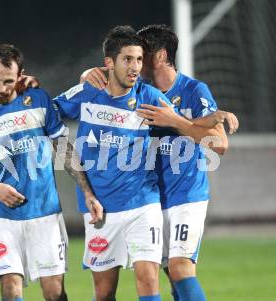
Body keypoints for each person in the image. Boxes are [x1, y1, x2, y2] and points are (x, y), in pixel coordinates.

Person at [80, 24, 238, 301]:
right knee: (168, 274)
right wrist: (87, 74)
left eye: (143, 54)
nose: (137, 61)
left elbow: (220, 143)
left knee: (179, 268)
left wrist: (174, 121)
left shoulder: (193, 89)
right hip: (152, 197)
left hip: (186, 194)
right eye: (132, 57)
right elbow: (106, 83)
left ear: (161, 55)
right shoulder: (140, 91)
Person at [0, 44, 103, 301]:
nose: (1, 87)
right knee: (11, 290)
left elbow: (63, 148)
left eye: (9, 81)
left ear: (21, 75)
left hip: (44, 211)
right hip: (2, 215)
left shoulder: (38, 99)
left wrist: (87, 191)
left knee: (55, 293)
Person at [53, 25, 173, 301]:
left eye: (139, 59)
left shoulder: (149, 97)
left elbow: (178, 124)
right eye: (127, 59)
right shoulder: (87, 92)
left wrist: (198, 126)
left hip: (143, 202)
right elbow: (48, 114)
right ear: (109, 63)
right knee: (104, 293)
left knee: (148, 278)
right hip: (100, 208)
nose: (135, 67)